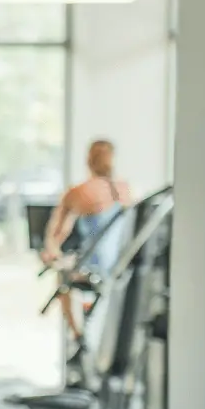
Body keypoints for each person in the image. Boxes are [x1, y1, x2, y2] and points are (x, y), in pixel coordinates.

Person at [39, 139, 134, 333]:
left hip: (95, 267)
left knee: (62, 277)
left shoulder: (78, 192)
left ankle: (78, 336)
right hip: (122, 265)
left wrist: (53, 254)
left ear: (89, 160)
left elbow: (56, 235)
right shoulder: (125, 190)